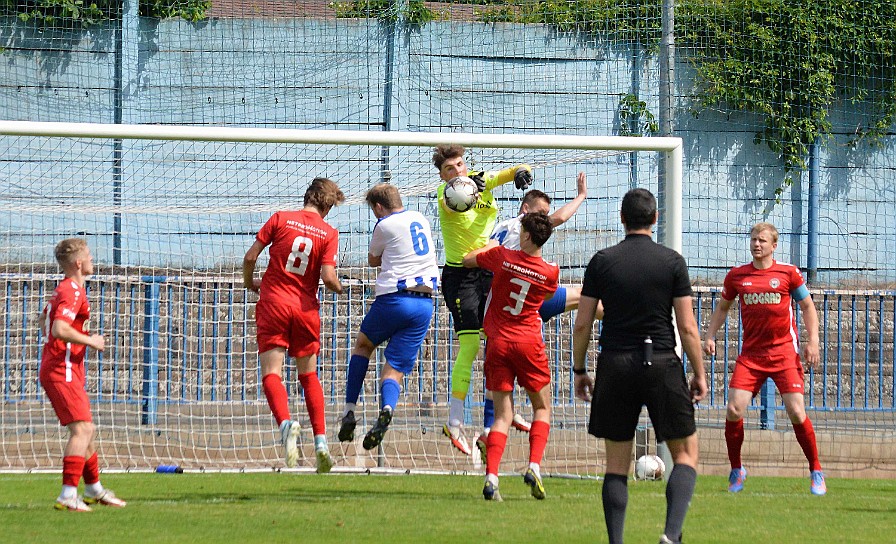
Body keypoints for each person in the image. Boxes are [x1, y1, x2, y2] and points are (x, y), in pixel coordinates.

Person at [572, 188, 707, 544]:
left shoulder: (602, 261)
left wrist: (580, 370)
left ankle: (616, 541)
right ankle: (670, 535)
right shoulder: (672, 262)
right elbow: (688, 326)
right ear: (656, 218)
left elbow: (583, 323)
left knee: (616, 464)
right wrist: (699, 372)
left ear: (622, 219)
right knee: (687, 455)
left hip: (615, 363)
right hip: (661, 362)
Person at [474, 171, 601, 462]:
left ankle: (489, 428)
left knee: (498, 371)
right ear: (525, 210)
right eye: (541, 212)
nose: (546, 218)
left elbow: (479, 258)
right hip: (525, 300)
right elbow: (561, 218)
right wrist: (581, 196)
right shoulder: (519, 227)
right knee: (590, 298)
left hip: (505, 304)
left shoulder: (499, 229)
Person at [703, 222, 825, 495]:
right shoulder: (737, 277)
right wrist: (710, 335)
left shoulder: (788, 273)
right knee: (734, 409)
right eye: (754, 240)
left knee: (796, 412)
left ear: (774, 245)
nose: (757, 244)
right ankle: (736, 470)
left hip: (784, 353)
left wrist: (813, 341)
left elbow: (807, 306)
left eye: (762, 240)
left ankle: (816, 470)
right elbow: (722, 308)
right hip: (752, 356)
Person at [433, 144, 533, 455]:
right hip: (460, 276)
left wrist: (520, 172)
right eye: (449, 169)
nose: (456, 171)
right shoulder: (444, 194)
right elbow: (457, 202)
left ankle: (506, 409)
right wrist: (470, 186)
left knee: (501, 341)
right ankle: (455, 420)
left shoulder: (479, 178)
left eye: (460, 165)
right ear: (441, 174)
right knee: (471, 345)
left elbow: (506, 172)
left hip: (489, 272)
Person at [243, 177, 344, 473]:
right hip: (305, 309)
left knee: (272, 372)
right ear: (326, 205)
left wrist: (251, 284)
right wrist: (339, 287)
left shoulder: (280, 218)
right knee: (309, 376)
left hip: (273, 302)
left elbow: (251, 257)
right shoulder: (328, 232)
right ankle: (321, 443)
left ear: (307, 197)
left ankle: (286, 424)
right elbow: (328, 276)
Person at [463, 212, 559, 501]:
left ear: (527, 236)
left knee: (503, 415)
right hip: (529, 342)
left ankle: (492, 477)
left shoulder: (503, 257)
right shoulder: (550, 272)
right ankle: (533, 467)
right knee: (542, 408)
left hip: (499, 343)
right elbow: (544, 298)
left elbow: (469, 259)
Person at [337, 183, 439, 450]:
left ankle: (349, 410)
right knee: (393, 369)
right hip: (424, 305)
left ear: (379, 207)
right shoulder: (420, 218)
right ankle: (387, 410)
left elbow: (373, 259)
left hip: (394, 298)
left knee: (363, 346)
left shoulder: (384, 225)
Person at [39, 238, 127, 511]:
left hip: (65, 368)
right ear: (78, 263)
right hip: (60, 369)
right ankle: (67, 494)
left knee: (86, 430)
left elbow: (44, 319)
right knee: (83, 429)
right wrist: (91, 341)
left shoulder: (65, 289)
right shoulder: (72, 291)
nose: (92, 260)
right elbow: (59, 329)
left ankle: (94, 489)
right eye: (88, 255)